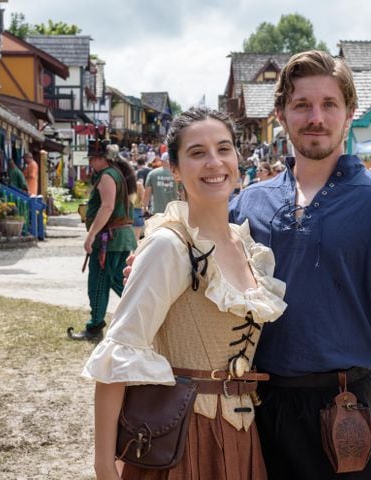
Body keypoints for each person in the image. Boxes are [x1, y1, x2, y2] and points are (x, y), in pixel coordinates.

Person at [229, 50, 371, 479]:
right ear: (281, 114)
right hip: (252, 411)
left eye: (329, 104)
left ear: (349, 113)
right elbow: (200, 263)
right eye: (302, 105)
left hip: (344, 414)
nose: (316, 117)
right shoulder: (248, 204)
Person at [84, 107, 286, 480]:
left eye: (224, 149)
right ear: (174, 169)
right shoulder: (170, 246)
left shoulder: (247, 247)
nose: (214, 162)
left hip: (242, 435)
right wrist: (104, 468)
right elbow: (117, 357)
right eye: (197, 152)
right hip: (180, 438)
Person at [67, 140, 138, 342]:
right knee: (115, 280)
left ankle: (97, 326)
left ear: (101, 159)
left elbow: (107, 207)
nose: (90, 162)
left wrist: (90, 236)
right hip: (116, 238)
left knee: (102, 282)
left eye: (92, 158)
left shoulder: (107, 176)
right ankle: (139, 315)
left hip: (110, 239)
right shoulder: (114, 173)